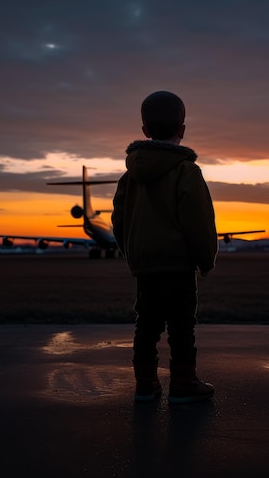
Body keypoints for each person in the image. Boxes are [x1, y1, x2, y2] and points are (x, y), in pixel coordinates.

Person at [111, 90, 218, 403]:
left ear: (145, 131)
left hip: (145, 266)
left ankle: (145, 383)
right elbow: (199, 220)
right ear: (182, 131)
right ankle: (183, 383)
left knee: (146, 324)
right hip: (178, 266)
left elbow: (119, 222)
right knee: (181, 325)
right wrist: (206, 259)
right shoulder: (187, 173)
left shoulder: (129, 178)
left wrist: (131, 253)